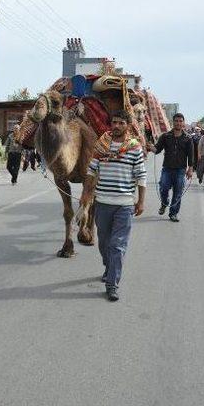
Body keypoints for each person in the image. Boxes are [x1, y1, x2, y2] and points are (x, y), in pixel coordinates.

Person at [80, 110, 146, 302]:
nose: (116, 126)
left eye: (120, 123)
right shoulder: (101, 146)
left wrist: (141, 201)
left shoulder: (134, 148)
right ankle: (109, 268)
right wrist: (86, 194)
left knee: (117, 246)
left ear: (127, 125)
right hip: (102, 203)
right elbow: (92, 171)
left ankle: (112, 284)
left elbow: (141, 176)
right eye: (114, 122)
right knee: (103, 243)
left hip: (124, 205)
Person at [147, 113, 194, 222]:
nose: (178, 123)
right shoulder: (165, 136)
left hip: (180, 170)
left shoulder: (188, 138)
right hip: (167, 169)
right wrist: (150, 147)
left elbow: (191, 155)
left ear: (183, 122)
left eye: (180, 121)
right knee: (163, 188)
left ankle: (173, 213)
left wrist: (190, 169)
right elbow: (157, 150)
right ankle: (164, 203)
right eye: (176, 121)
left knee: (177, 192)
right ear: (173, 122)